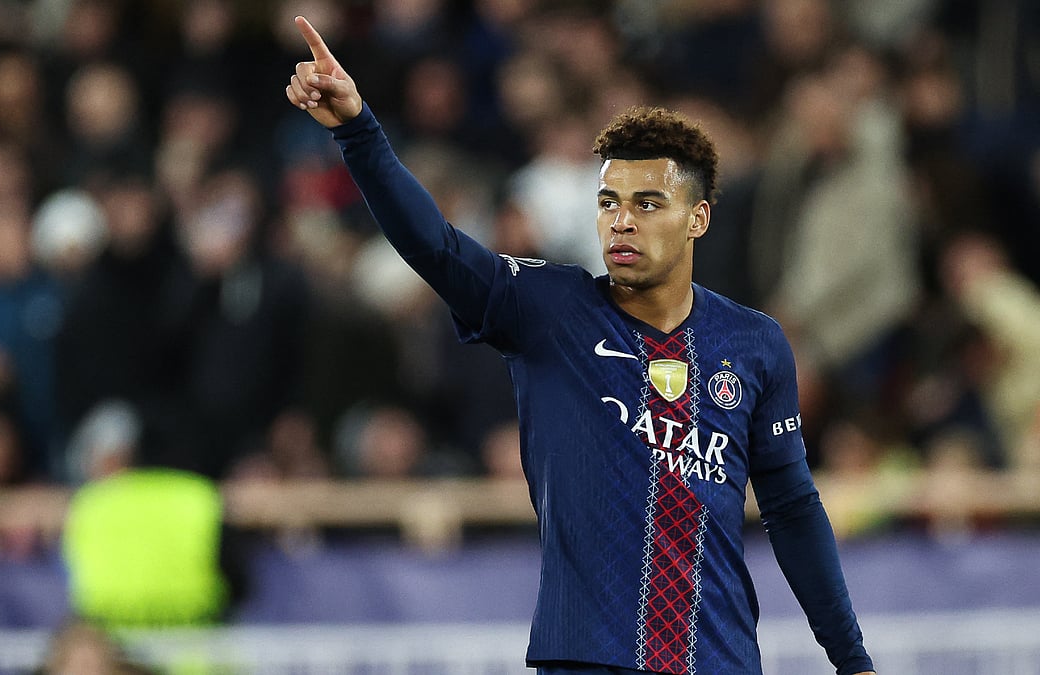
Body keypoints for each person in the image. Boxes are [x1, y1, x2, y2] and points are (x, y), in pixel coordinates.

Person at [285, 16, 875, 675]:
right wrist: (359, 130)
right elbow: (435, 246)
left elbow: (792, 508)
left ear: (698, 218)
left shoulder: (755, 343)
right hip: (587, 662)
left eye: (648, 203)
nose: (621, 219)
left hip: (719, 661)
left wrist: (851, 658)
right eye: (608, 201)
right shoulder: (551, 308)